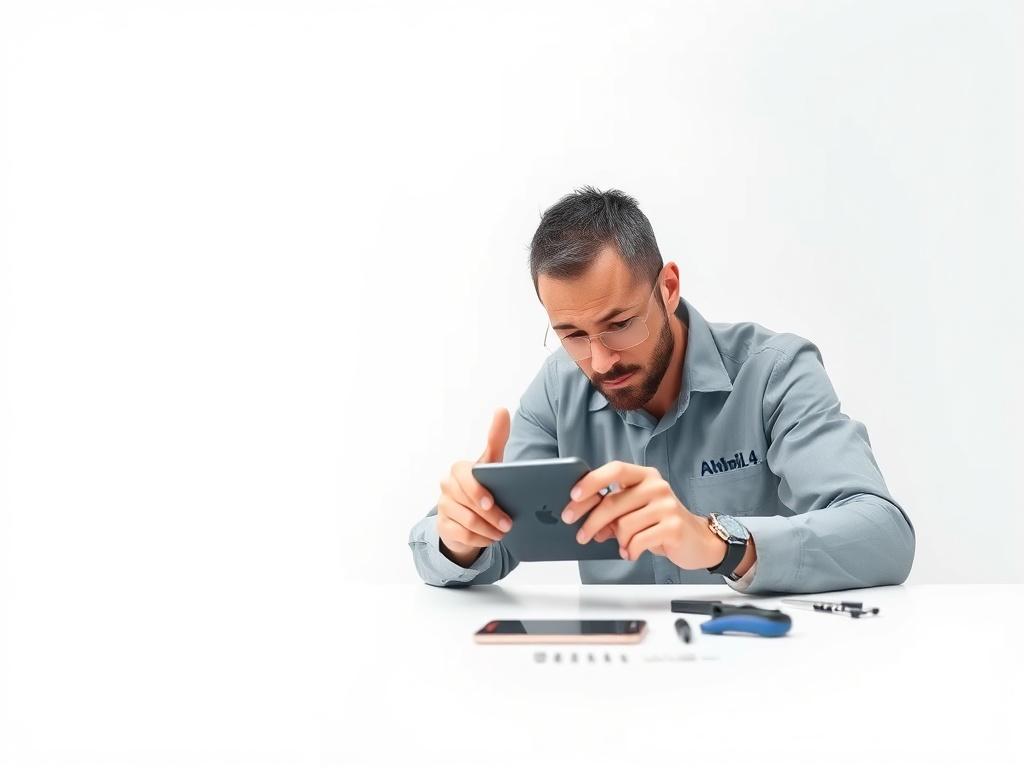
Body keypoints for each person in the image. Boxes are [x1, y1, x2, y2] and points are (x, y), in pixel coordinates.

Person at [408, 186, 915, 593]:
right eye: (573, 335)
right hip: (616, 685)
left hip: (760, 667)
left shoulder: (775, 373)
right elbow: (492, 545)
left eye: (621, 323)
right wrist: (460, 538)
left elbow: (883, 535)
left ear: (668, 287)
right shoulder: (556, 390)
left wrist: (719, 542)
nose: (601, 360)